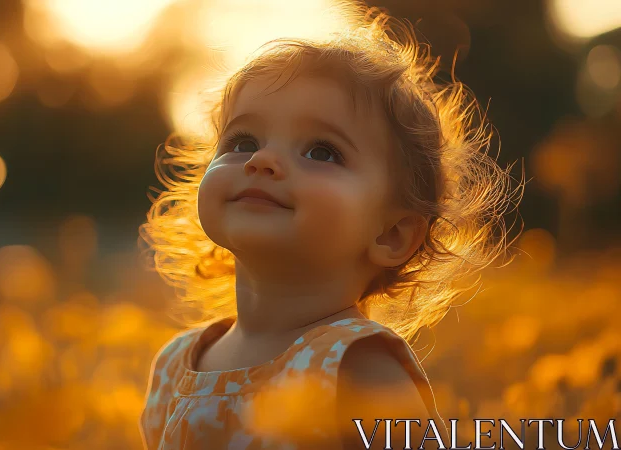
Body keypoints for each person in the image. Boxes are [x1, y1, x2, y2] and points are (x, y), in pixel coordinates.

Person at [137, 3, 524, 449]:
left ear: (391, 234)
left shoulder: (358, 366)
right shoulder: (173, 367)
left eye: (321, 152)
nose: (262, 160)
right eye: (243, 142)